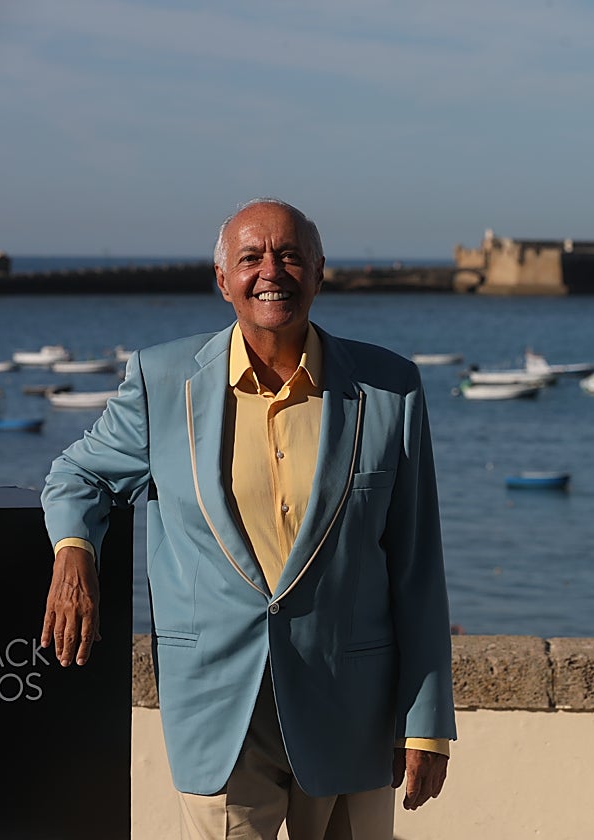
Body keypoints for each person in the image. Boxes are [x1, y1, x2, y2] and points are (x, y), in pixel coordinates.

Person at [40, 197, 456, 840]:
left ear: (319, 271)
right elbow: (80, 475)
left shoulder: (389, 388)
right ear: (223, 279)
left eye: (290, 255)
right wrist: (74, 552)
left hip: (352, 708)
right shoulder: (163, 380)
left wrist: (427, 721)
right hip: (219, 709)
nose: (272, 271)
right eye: (252, 257)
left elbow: (417, 563)